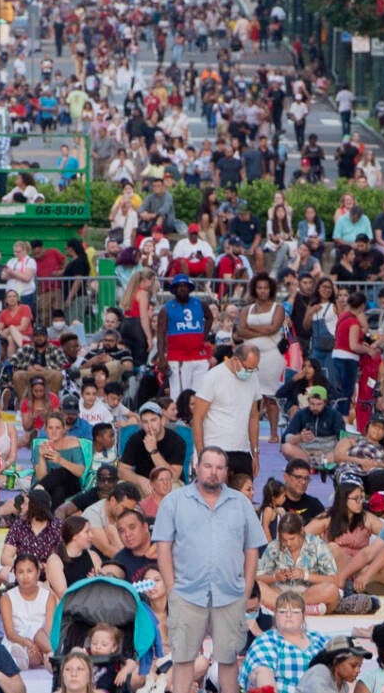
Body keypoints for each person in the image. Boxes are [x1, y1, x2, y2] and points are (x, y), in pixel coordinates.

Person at [153, 447, 266, 693]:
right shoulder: (174, 502)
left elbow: (251, 551)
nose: (213, 473)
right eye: (208, 466)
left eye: (219, 467)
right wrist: (172, 589)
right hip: (187, 594)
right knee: (183, 660)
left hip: (230, 595)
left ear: (226, 472)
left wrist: (245, 591)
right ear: (196, 466)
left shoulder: (241, 504)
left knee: (228, 661)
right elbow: (163, 548)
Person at [191, 346, 265, 477]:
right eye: (247, 368)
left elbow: (253, 417)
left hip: (242, 450)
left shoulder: (253, 378)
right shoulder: (213, 376)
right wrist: (201, 455)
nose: (250, 372)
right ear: (236, 360)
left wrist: (255, 454)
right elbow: (197, 418)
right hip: (215, 449)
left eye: (254, 369)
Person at [238, 591, 327, 693]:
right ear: (275, 615)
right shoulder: (267, 640)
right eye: (282, 611)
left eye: (295, 612)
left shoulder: (319, 639)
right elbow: (261, 671)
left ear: (303, 616)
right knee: (262, 670)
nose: (288, 615)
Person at [155, 275, 212, 398]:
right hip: (178, 357)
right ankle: (180, 416)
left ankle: (195, 416)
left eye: (185, 286)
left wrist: (204, 336)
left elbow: (210, 317)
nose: (182, 289)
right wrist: (161, 357)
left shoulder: (200, 304)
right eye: (179, 286)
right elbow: (160, 334)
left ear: (190, 288)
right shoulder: (166, 309)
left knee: (199, 393)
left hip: (198, 355)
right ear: (174, 290)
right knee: (179, 394)